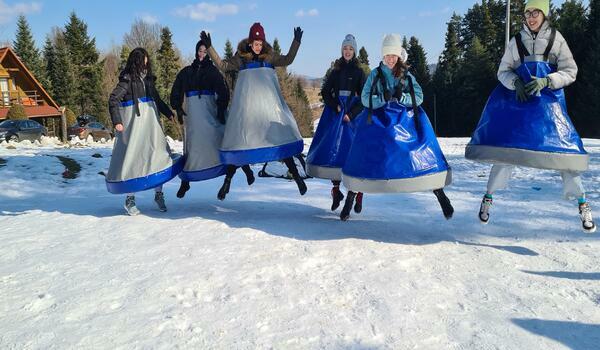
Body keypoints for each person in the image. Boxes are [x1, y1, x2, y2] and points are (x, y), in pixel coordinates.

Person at [465, 0, 595, 233]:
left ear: (544, 14)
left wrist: (548, 80)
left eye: (536, 12)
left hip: (549, 108)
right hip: (521, 105)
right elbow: (503, 71)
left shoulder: (556, 39)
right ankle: (488, 197)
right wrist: (515, 82)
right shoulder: (516, 41)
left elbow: (571, 71)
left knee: (565, 154)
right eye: (527, 13)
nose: (531, 17)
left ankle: (582, 203)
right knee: (506, 152)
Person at [341, 34, 454, 221]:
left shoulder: (406, 75)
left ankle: (441, 196)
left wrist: (403, 98)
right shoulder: (375, 75)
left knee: (422, 154)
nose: (390, 59)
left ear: (399, 56)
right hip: (379, 121)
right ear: (383, 56)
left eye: (393, 55)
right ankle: (350, 200)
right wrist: (380, 99)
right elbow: (364, 98)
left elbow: (419, 97)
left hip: (405, 121)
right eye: (387, 55)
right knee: (363, 155)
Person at [201, 23, 307, 198]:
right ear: (250, 43)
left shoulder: (269, 57)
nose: (258, 47)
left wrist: (296, 42)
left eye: (260, 43)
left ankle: (297, 178)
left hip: (268, 109)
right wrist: (210, 47)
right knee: (239, 145)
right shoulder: (241, 58)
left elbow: (288, 59)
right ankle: (227, 183)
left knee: (279, 142)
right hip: (247, 112)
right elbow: (223, 65)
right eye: (255, 43)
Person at [170, 38, 254, 200]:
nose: (202, 54)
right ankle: (186, 181)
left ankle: (246, 169)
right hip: (193, 115)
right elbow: (177, 90)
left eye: (204, 51)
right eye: (199, 51)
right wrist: (178, 107)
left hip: (210, 113)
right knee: (191, 147)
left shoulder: (213, 71)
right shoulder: (186, 72)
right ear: (196, 52)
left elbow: (223, 91)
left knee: (227, 141)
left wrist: (221, 109)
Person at [106, 48, 182, 215]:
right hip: (135, 131)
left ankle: (158, 194)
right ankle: (130, 199)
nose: (146, 63)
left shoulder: (148, 81)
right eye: (144, 60)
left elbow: (157, 99)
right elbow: (113, 99)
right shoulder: (126, 81)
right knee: (132, 162)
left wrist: (168, 113)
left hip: (151, 129)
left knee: (157, 158)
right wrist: (117, 121)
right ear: (138, 61)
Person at [307, 34, 366, 212]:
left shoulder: (359, 72)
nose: (347, 51)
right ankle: (335, 190)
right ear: (342, 50)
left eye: (350, 49)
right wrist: (336, 108)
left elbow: (364, 97)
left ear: (354, 51)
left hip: (352, 118)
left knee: (352, 153)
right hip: (335, 114)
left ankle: (359, 193)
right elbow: (325, 92)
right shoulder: (335, 70)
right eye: (345, 49)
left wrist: (352, 113)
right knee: (333, 151)